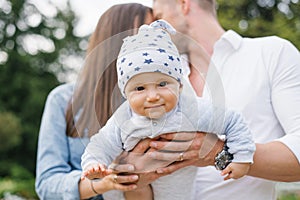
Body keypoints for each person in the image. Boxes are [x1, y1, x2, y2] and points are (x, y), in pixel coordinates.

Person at [118, 0, 300, 199]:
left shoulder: (272, 53)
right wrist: (136, 178)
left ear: (184, 4)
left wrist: (217, 151)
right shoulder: (153, 79)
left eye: (160, 17)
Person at [81, 20, 255, 200]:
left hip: (175, 187)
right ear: (126, 93)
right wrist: (94, 164)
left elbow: (232, 120)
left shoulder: (190, 109)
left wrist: (242, 156)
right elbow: (101, 143)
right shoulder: (124, 117)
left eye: (162, 84)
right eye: (140, 89)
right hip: (127, 190)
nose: (152, 96)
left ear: (179, 85)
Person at [35, 3, 154, 199]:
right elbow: (47, 184)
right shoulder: (62, 100)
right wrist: (102, 183)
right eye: (144, 33)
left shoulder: (154, 103)